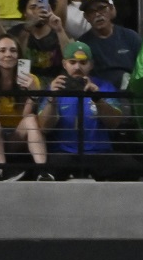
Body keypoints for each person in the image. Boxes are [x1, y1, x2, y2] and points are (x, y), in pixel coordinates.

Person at [38, 40, 134, 179]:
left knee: (129, 166)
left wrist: (98, 99)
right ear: (64, 64)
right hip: (64, 154)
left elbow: (114, 123)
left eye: (83, 63)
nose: (77, 67)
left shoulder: (104, 87)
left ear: (91, 65)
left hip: (99, 154)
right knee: (47, 168)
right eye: (72, 62)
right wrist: (52, 98)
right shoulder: (54, 87)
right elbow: (44, 127)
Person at [0, 33, 52, 180]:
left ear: (18, 55)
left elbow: (26, 115)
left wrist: (32, 93)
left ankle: (42, 171)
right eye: (3, 50)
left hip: (15, 136)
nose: (8, 54)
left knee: (31, 119)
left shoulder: (31, 79)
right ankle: (3, 170)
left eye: (13, 50)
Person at [77, 0, 140, 89]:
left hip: (129, 95)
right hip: (97, 96)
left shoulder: (131, 37)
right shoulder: (82, 44)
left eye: (101, 8)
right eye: (91, 11)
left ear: (111, 9)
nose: (97, 14)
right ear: (86, 17)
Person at [10, 0, 71, 79]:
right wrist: (28, 28)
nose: (37, 11)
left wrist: (59, 30)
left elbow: (71, 58)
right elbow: (13, 56)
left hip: (53, 86)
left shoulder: (58, 31)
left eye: (41, 7)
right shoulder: (17, 31)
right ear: (24, 13)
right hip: (24, 84)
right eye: (33, 7)